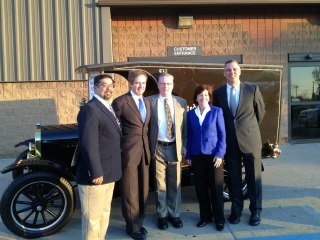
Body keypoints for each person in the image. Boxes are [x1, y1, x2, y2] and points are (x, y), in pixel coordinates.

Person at [213, 59, 265, 226]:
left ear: (240, 71)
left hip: (250, 141)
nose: (231, 72)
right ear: (224, 73)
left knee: (253, 179)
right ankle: (236, 212)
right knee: (234, 179)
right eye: (228, 70)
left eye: (234, 69)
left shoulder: (252, 89)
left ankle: (255, 212)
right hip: (230, 142)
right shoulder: (218, 93)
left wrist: (247, 129)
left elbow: (260, 114)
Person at [76, 74, 122, 240]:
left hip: (109, 173)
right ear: (95, 87)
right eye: (104, 85)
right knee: (92, 220)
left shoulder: (107, 107)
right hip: (96, 176)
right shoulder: (90, 109)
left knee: (104, 213)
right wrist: (95, 172)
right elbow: (88, 144)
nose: (108, 88)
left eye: (111, 85)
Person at [112, 70, 151, 240]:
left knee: (143, 189)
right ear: (130, 83)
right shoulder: (120, 102)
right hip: (128, 152)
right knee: (130, 191)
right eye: (137, 83)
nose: (140, 86)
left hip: (145, 152)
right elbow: (112, 127)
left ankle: (139, 222)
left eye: (143, 83)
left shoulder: (147, 102)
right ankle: (131, 227)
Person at [148, 73, 187, 230]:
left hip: (174, 147)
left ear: (173, 84)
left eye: (169, 84)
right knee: (160, 184)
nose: (166, 86)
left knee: (175, 183)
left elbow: (184, 127)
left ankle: (174, 214)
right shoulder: (150, 102)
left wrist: (184, 145)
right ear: (158, 85)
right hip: (158, 147)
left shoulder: (181, 102)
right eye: (163, 84)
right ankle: (162, 215)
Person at [186, 85, 226, 231]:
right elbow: (189, 135)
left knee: (216, 188)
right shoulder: (190, 114)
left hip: (214, 156)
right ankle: (205, 217)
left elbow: (222, 135)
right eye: (200, 95)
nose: (204, 98)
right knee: (201, 189)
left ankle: (219, 219)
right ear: (196, 98)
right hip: (197, 156)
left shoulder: (217, 112)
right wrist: (189, 154)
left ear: (209, 97)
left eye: (206, 95)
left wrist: (220, 154)